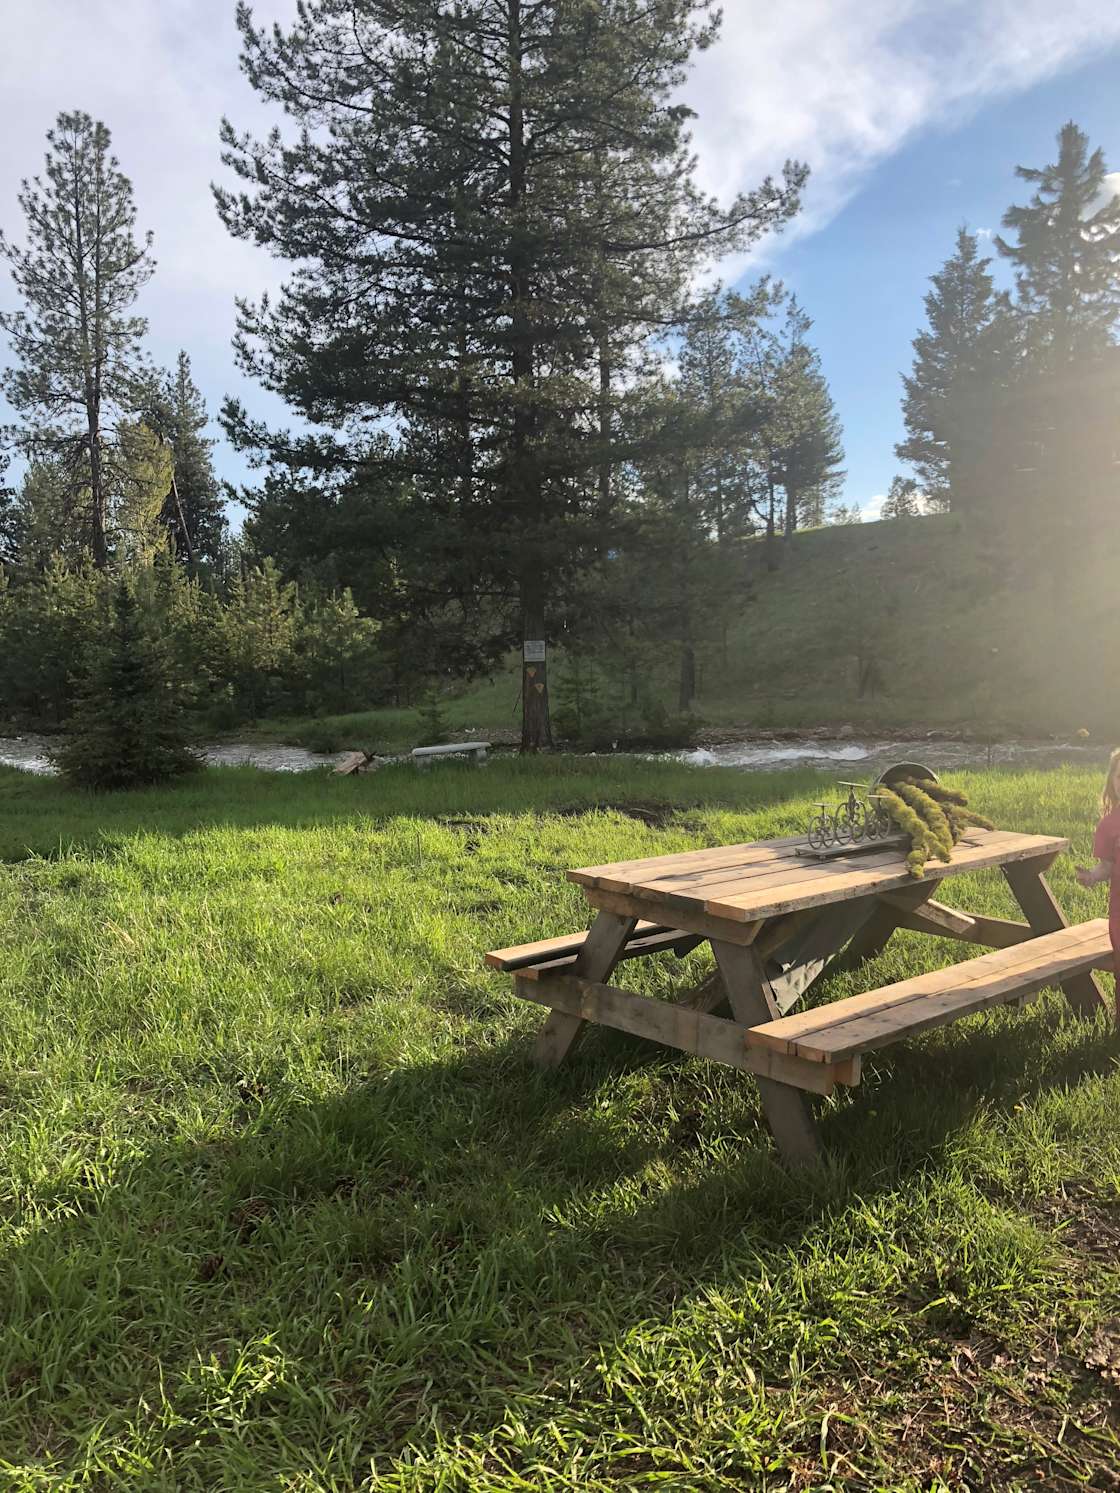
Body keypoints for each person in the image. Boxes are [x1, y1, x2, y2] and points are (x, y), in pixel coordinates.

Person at [1075, 747, 1120, 1023]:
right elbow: (1108, 865)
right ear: (1112, 783)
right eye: (1119, 777)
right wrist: (1092, 876)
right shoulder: (1109, 825)